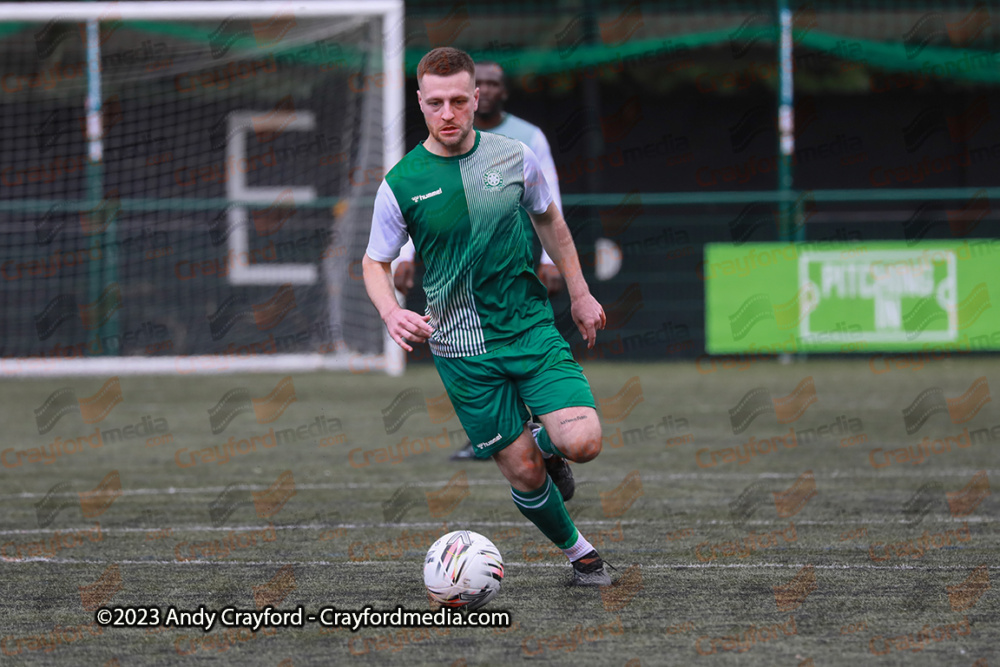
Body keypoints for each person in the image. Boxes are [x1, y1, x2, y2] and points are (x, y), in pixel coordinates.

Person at [362, 47, 612, 586]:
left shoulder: (515, 156)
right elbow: (374, 262)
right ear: (421, 104)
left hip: (529, 329)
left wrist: (580, 292)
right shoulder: (401, 183)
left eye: (458, 100)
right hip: (460, 349)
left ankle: (548, 442)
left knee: (583, 442)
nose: (447, 113)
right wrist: (389, 311)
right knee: (522, 470)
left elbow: (551, 222)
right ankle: (582, 557)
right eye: (435, 103)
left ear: (476, 98)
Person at [394, 60, 567, 461]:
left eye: (493, 83)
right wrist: (406, 253)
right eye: (481, 81)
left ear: (497, 92)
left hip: (515, 263)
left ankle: (542, 432)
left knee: (528, 341)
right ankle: (500, 434)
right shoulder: (436, 144)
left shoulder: (525, 139)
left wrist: (549, 258)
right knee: (472, 347)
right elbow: (420, 206)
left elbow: (549, 200)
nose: (486, 89)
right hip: (460, 278)